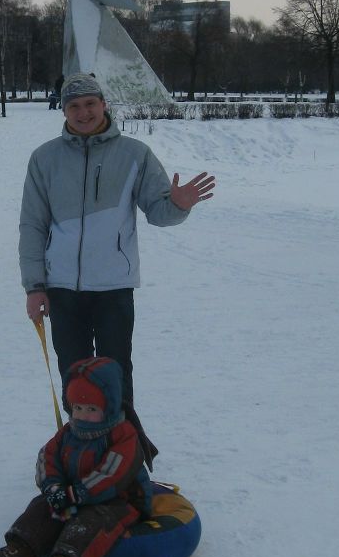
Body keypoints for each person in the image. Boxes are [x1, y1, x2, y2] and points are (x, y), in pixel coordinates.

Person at [19, 71, 215, 404]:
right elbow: (32, 225)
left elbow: (159, 211)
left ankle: (124, 449)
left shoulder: (135, 154)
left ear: (104, 104)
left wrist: (178, 205)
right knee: (73, 372)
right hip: (62, 288)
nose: (83, 113)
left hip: (114, 287)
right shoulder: (44, 158)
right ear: (63, 110)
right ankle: (82, 448)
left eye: (90, 103)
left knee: (116, 371)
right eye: (74, 106)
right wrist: (35, 286)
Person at [0, 357, 152, 557]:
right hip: (75, 494)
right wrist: (53, 488)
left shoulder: (123, 435)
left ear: (109, 407)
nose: (82, 415)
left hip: (119, 500)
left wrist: (76, 494)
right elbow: (47, 456)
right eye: (77, 408)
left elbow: (111, 473)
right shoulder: (70, 431)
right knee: (43, 507)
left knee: (93, 520)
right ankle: (16, 554)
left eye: (91, 409)